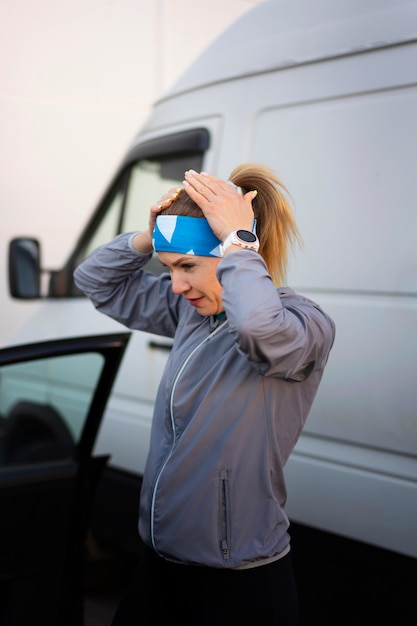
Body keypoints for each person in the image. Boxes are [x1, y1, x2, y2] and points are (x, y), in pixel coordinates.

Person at [74, 164, 335, 625]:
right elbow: (95, 281)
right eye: (169, 268)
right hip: (162, 562)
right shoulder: (193, 314)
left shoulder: (302, 325)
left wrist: (238, 240)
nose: (176, 286)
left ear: (239, 253)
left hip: (238, 581)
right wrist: (148, 237)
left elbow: (258, 329)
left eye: (188, 266)